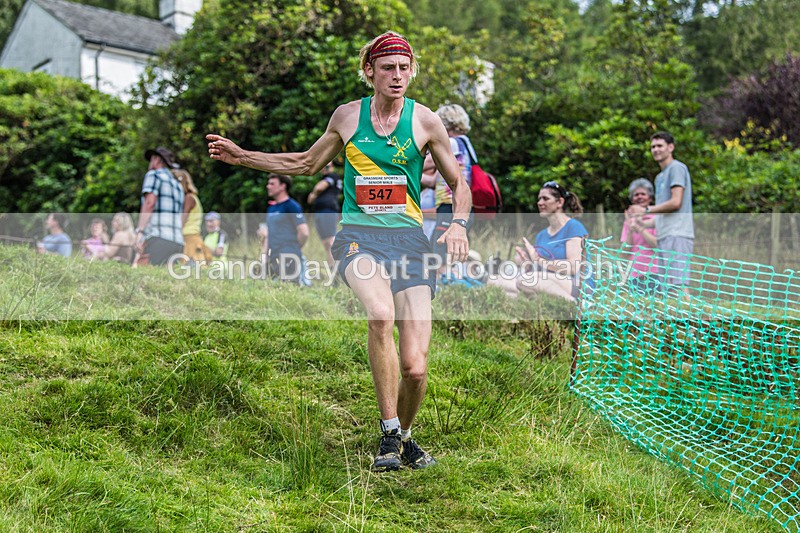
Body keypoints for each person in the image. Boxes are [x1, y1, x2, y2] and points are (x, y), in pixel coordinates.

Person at [207, 31, 470, 472]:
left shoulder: (425, 121)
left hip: (409, 242)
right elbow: (306, 164)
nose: (397, 76)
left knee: (416, 368)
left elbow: (459, 184)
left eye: (405, 68)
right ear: (370, 71)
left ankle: (404, 438)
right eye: (388, 68)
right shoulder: (348, 117)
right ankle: (388, 433)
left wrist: (459, 223)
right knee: (380, 314)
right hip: (359, 237)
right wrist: (243, 157)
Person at [488, 181, 592, 302]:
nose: (540, 203)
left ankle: (576, 306)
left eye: (545, 199)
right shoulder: (541, 235)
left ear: (560, 202)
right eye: (539, 199)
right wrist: (527, 262)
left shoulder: (573, 227)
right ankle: (537, 302)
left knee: (525, 281)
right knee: (494, 281)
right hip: (548, 281)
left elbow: (573, 268)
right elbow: (538, 271)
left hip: (577, 283)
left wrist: (539, 261)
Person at [627, 132, 694, 295]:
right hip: (664, 235)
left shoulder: (677, 168)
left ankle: (689, 318)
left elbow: (676, 202)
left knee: (679, 286)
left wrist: (645, 210)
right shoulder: (659, 177)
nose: (656, 150)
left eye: (659, 146)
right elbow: (662, 214)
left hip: (678, 234)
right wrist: (643, 223)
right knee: (668, 289)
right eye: (653, 147)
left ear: (670, 147)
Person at [422, 104, 476, 274]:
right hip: (457, 206)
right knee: (446, 254)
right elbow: (435, 181)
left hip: (449, 206)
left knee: (439, 257)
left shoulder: (451, 143)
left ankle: (445, 290)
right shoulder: (466, 144)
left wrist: (396, 164)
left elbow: (427, 163)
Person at [134, 146, 185, 266]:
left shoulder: (154, 175)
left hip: (158, 237)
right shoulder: (178, 185)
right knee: (167, 281)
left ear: (157, 160)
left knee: (147, 277)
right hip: (177, 241)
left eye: (151, 159)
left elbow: (149, 203)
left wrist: (140, 231)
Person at [263, 173, 309, 284]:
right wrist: (264, 256)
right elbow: (269, 234)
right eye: (268, 183)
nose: (268, 186)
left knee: (292, 290)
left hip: (289, 255)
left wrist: (292, 249)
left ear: (283, 186)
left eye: (272, 184)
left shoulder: (292, 206)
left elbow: (304, 232)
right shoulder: (271, 208)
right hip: (273, 256)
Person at [621, 178, 659, 293]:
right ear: (632, 199)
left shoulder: (656, 218)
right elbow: (625, 252)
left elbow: (657, 245)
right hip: (635, 274)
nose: (639, 197)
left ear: (650, 198)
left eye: (643, 194)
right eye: (636, 195)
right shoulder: (628, 222)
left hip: (656, 273)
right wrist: (630, 228)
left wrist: (640, 228)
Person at [307, 161, 342, 266]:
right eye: (323, 166)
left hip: (328, 210)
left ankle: (337, 269)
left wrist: (314, 193)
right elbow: (310, 200)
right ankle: (332, 268)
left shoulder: (333, 176)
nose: (325, 168)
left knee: (331, 241)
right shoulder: (325, 178)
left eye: (327, 166)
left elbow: (318, 188)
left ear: (332, 167)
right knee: (326, 243)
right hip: (321, 211)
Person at [174, 167, 212, 264]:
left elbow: (183, 219)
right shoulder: (194, 197)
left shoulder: (189, 198)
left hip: (189, 238)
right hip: (194, 236)